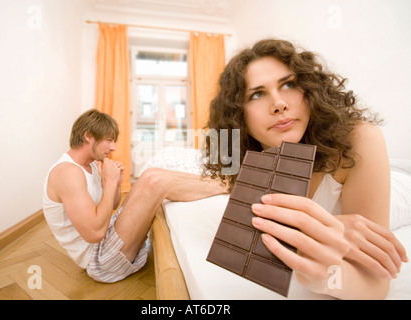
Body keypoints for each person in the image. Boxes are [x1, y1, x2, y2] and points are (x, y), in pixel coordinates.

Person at [200, 38, 407, 299]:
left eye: (288, 84)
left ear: (309, 90)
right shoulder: (248, 161)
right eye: (257, 94)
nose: (279, 104)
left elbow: (377, 286)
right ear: (238, 115)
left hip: (402, 185)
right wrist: (330, 232)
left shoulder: (360, 139)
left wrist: (330, 278)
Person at [42, 109, 226, 283]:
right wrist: (110, 183)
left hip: (107, 238)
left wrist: (115, 183)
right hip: (100, 260)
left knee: (150, 175)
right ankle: (226, 185)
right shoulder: (67, 173)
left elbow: (111, 205)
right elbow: (94, 233)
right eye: (109, 140)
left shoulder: (89, 166)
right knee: (153, 182)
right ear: (88, 136)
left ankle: (221, 183)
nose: (113, 147)